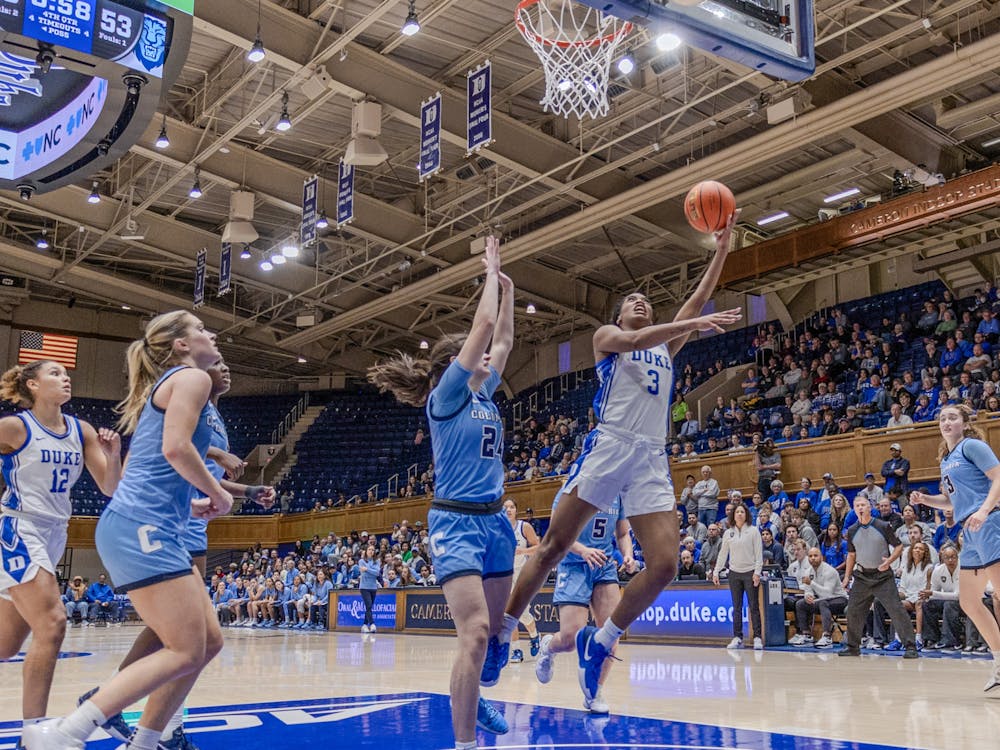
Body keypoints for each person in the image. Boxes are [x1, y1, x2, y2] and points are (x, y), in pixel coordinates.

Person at [493, 216, 743, 705]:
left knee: (666, 564)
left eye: (646, 301)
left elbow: (696, 299)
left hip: (651, 455)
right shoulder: (607, 338)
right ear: (619, 313)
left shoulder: (667, 349)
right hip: (610, 445)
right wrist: (691, 322)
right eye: (632, 300)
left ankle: (603, 641)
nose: (641, 302)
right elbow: (637, 339)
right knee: (553, 547)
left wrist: (722, 249)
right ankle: (502, 634)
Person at [22, 311, 234, 750]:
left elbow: (146, 464)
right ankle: (65, 734)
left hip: (150, 523)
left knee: (208, 642)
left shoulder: (175, 387)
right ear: (179, 344)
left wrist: (190, 500)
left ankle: (146, 742)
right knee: (184, 649)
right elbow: (176, 449)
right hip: (142, 527)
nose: (210, 333)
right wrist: (221, 494)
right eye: (199, 328)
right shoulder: (193, 379)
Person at [367, 235, 515, 745]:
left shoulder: (485, 391)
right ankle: (464, 740)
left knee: (492, 636)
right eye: (476, 356)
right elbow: (485, 327)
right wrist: (491, 274)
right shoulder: (446, 396)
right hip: (455, 521)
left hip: (496, 520)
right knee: (472, 634)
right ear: (457, 362)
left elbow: (504, 341)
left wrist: (510, 291)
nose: (487, 359)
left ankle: (479, 688)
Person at [82, 359, 274, 750]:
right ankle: (117, 703)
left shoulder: (213, 412)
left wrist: (249, 491)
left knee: (188, 633)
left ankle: (162, 726)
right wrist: (219, 453)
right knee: (181, 632)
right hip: (168, 522)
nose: (226, 367)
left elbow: (199, 468)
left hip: (195, 521)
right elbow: (167, 452)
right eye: (218, 362)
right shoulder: (185, 396)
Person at [0, 361, 121, 731]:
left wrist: (113, 454)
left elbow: (110, 487)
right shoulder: (15, 426)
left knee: (5, 646)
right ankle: (34, 733)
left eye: (67, 373)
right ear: (32, 385)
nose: (65, 377)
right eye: (54, 373)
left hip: (56, 532)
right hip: (19, 527)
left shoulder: (80, 430)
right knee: (53, 624)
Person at [910, 404, 1000, 691]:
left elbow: (998, 477)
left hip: (988, 521)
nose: (946, 422)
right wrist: (925, 500)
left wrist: (985, 510)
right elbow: (951, 502)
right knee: (969, 601)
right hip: (968, 530)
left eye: (952, 417)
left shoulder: (972, 445)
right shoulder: (946, 458)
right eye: (942, 418)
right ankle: (999, 665)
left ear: (964, 423)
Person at [534, 494, 635, 714]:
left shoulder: (617, 492)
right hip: (574, 565)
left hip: (604, 564)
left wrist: (628, 554)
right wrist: (582, 550)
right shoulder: (570, 489)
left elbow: (623, 533)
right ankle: (548, 647)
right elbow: (557, 533)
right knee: (570, 639)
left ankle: (594, 693)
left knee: (611, 634)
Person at [837, 496, 918, 659]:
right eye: (857, 505)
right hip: (861, 577)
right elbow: (851, 555)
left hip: (882, 577)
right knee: (853, 611)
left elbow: (899, 546)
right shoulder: (852, 530)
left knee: (896, 610)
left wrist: (889, 561)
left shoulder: (882, 525)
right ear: (854, 509)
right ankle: (853, 647)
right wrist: (846, 577)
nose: (860, 508)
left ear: (870, 508)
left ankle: (910, 647)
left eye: (863, 505)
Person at [712, 503, 764, 650]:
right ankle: (737, 637)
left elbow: (759, 554)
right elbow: (723, 554)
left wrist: (757, 572)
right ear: (733, 516)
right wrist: (716, 571)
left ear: (746, 514)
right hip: (734, 573)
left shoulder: (754, 531)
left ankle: (757, 637)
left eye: (742, 512)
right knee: (737, 607)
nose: (740, 514)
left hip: (750, 572)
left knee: (753, 606)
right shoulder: (728, 533)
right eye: (737, 512)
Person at [503, 498, 541, 662]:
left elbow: (539, 547)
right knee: (508, 614)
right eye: (505, 507)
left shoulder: (524, 527)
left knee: (522, 614)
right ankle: (516, 650)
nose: (508, 510)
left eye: (511, 507)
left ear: (516, 510)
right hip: (505, 574)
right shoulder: (499, 529)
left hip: (523, 574)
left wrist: (523, 551)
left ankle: (534, 635)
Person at [788, 547, 847, 649]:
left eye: (816, 556)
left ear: (821, 557)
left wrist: (811, 583)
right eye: (810, 556)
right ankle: (806, 634)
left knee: (823, 603)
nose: (813, 558)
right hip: (821, 600)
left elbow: (827, 593)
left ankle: (827, 637)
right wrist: (808, 596)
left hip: (839, 599)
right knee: (800, 604)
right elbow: (808, 590)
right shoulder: (808, 572)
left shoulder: (830, 571)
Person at [358, 547, 381, 634]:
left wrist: (367, 569)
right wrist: (372, 570)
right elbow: (363, 572)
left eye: (373, 550)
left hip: (373, 587)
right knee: (368, 605)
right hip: (364, 587)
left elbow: (377, 573)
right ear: (366, 551)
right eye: (369, 549)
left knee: (369, 607)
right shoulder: (361, 561)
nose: (371, 551)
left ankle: (364, 625)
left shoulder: (377, 561)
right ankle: (372, 624)